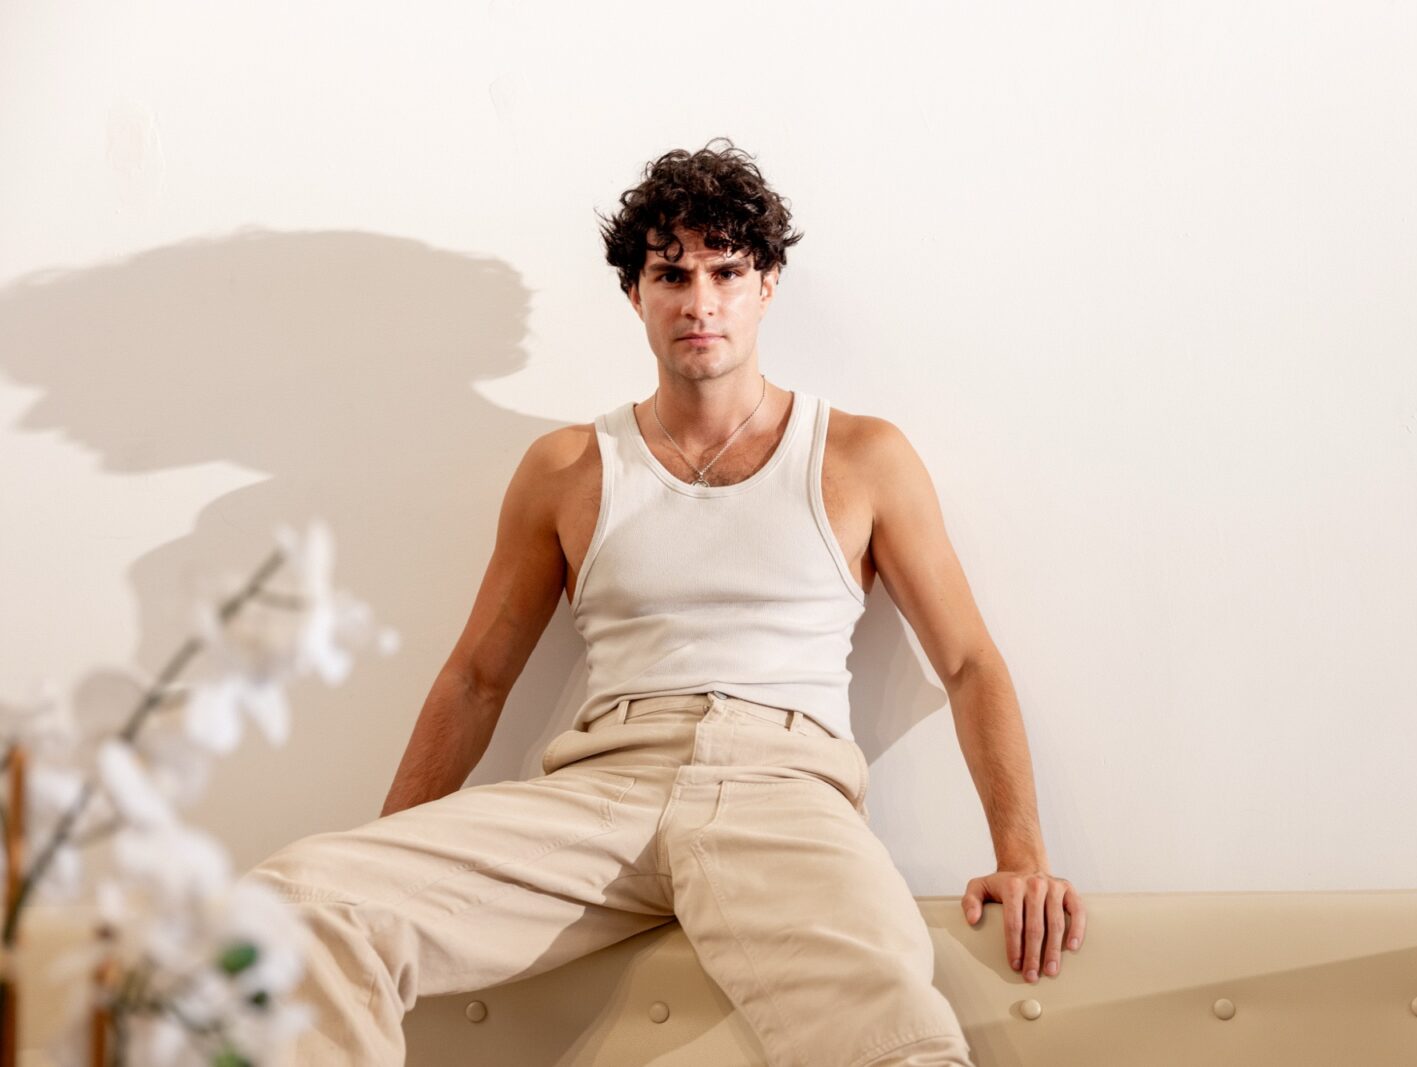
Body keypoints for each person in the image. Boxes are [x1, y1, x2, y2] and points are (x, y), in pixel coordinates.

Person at [242, 137, 1085, 1066]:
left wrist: (1023, 857)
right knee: (296, 905)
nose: (700, 301)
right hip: (604, 787)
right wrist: (393, 859)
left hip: (784, 787)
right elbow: (477, 678)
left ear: (767, 284)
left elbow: (968, 663)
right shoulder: (568, 467)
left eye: (727, 270)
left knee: (898, 1041)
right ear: (634, 294)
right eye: (671, 274)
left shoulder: (860, 456)